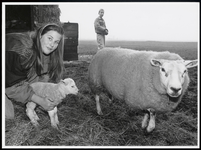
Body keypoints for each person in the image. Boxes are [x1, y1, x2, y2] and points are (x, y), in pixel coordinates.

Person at [5, 23, 65, 119]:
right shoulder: (22, 51)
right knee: (7, 116)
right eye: (49, 38)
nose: (52, 44)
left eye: (56, 42)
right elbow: (12, 85)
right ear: (40, 34)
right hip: (9, 80)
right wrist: (40, 101)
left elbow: (43, 79)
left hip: (10, 75)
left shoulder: (43, 50)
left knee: (42, 76)